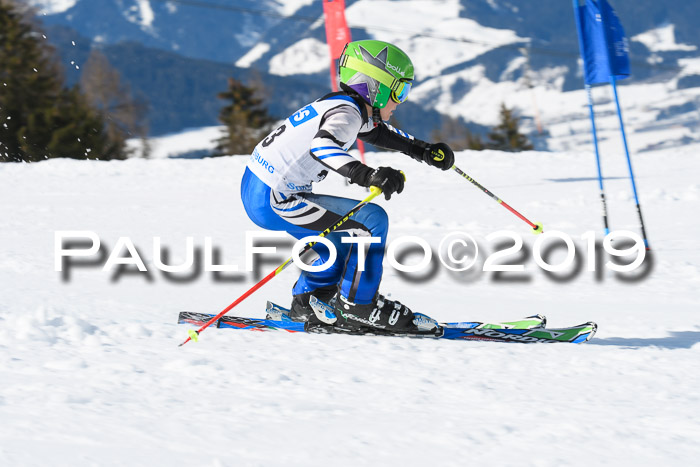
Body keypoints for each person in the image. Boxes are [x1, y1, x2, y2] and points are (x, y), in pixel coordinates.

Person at [240, 39, 454, 331]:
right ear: (374, 87)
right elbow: (322, 146)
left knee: (338, 235)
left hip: (261, 189)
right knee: (370, 221)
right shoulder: (347, 113)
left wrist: (421, 150)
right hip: (275, 198)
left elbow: (376, 133)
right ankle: (359, 306)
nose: (401, 100)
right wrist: (368, 176)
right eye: (399, 90)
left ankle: (309, 300)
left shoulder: (344, 106)